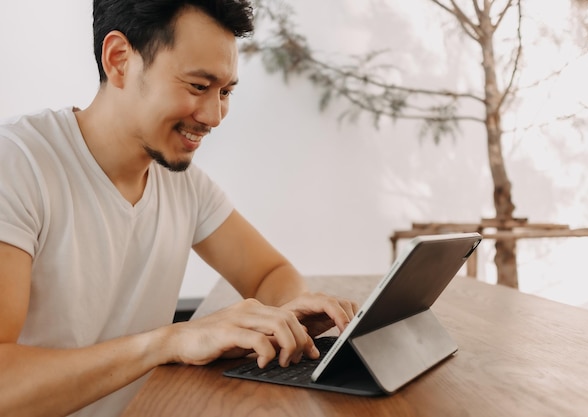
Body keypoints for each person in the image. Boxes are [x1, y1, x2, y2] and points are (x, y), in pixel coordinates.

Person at [0, 1, 358, 416]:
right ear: (119, 60)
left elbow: (268, 273)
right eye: (198, 86)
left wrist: (290, 313)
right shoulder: (17, 166)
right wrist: (169, 341)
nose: (215, 115)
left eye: (225, 92)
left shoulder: (180, 181)